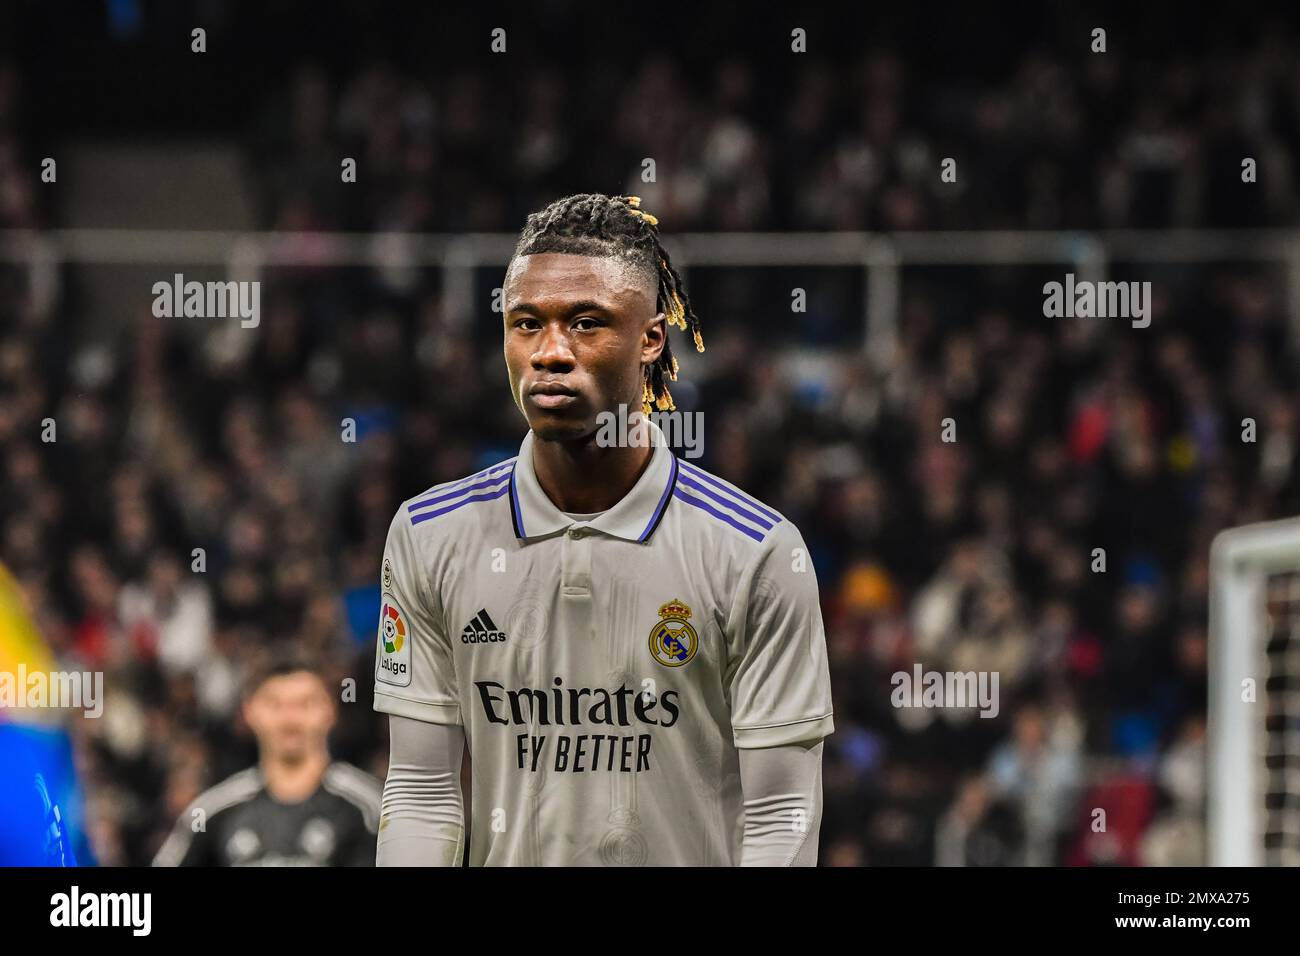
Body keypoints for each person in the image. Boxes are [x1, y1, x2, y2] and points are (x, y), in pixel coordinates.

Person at [374, 193, 834, 866]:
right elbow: (420, 791)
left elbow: (779, 818)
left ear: (651, 337)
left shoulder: (755, 552)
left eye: (586, 324)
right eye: (526, 324)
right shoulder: (429, 534)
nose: (550, 352)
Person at [153, 655, 381, 866]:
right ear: (249, 711)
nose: (290, 718)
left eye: (305, 704)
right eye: (275, 704)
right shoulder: (212, 811)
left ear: (330, 710)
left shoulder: (372, 808)